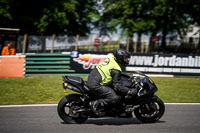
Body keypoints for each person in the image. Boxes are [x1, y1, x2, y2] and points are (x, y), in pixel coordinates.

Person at [87, 49, 137, 116]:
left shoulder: (111, 59)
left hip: (93, 77)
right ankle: (95, 103)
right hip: (96, 84)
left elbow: (112, 73)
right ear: (120, 58)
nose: (127, 60)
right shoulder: (116, 69)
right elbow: (117, 87)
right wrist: (129, 91)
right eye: (126, 58)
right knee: (114, 97)